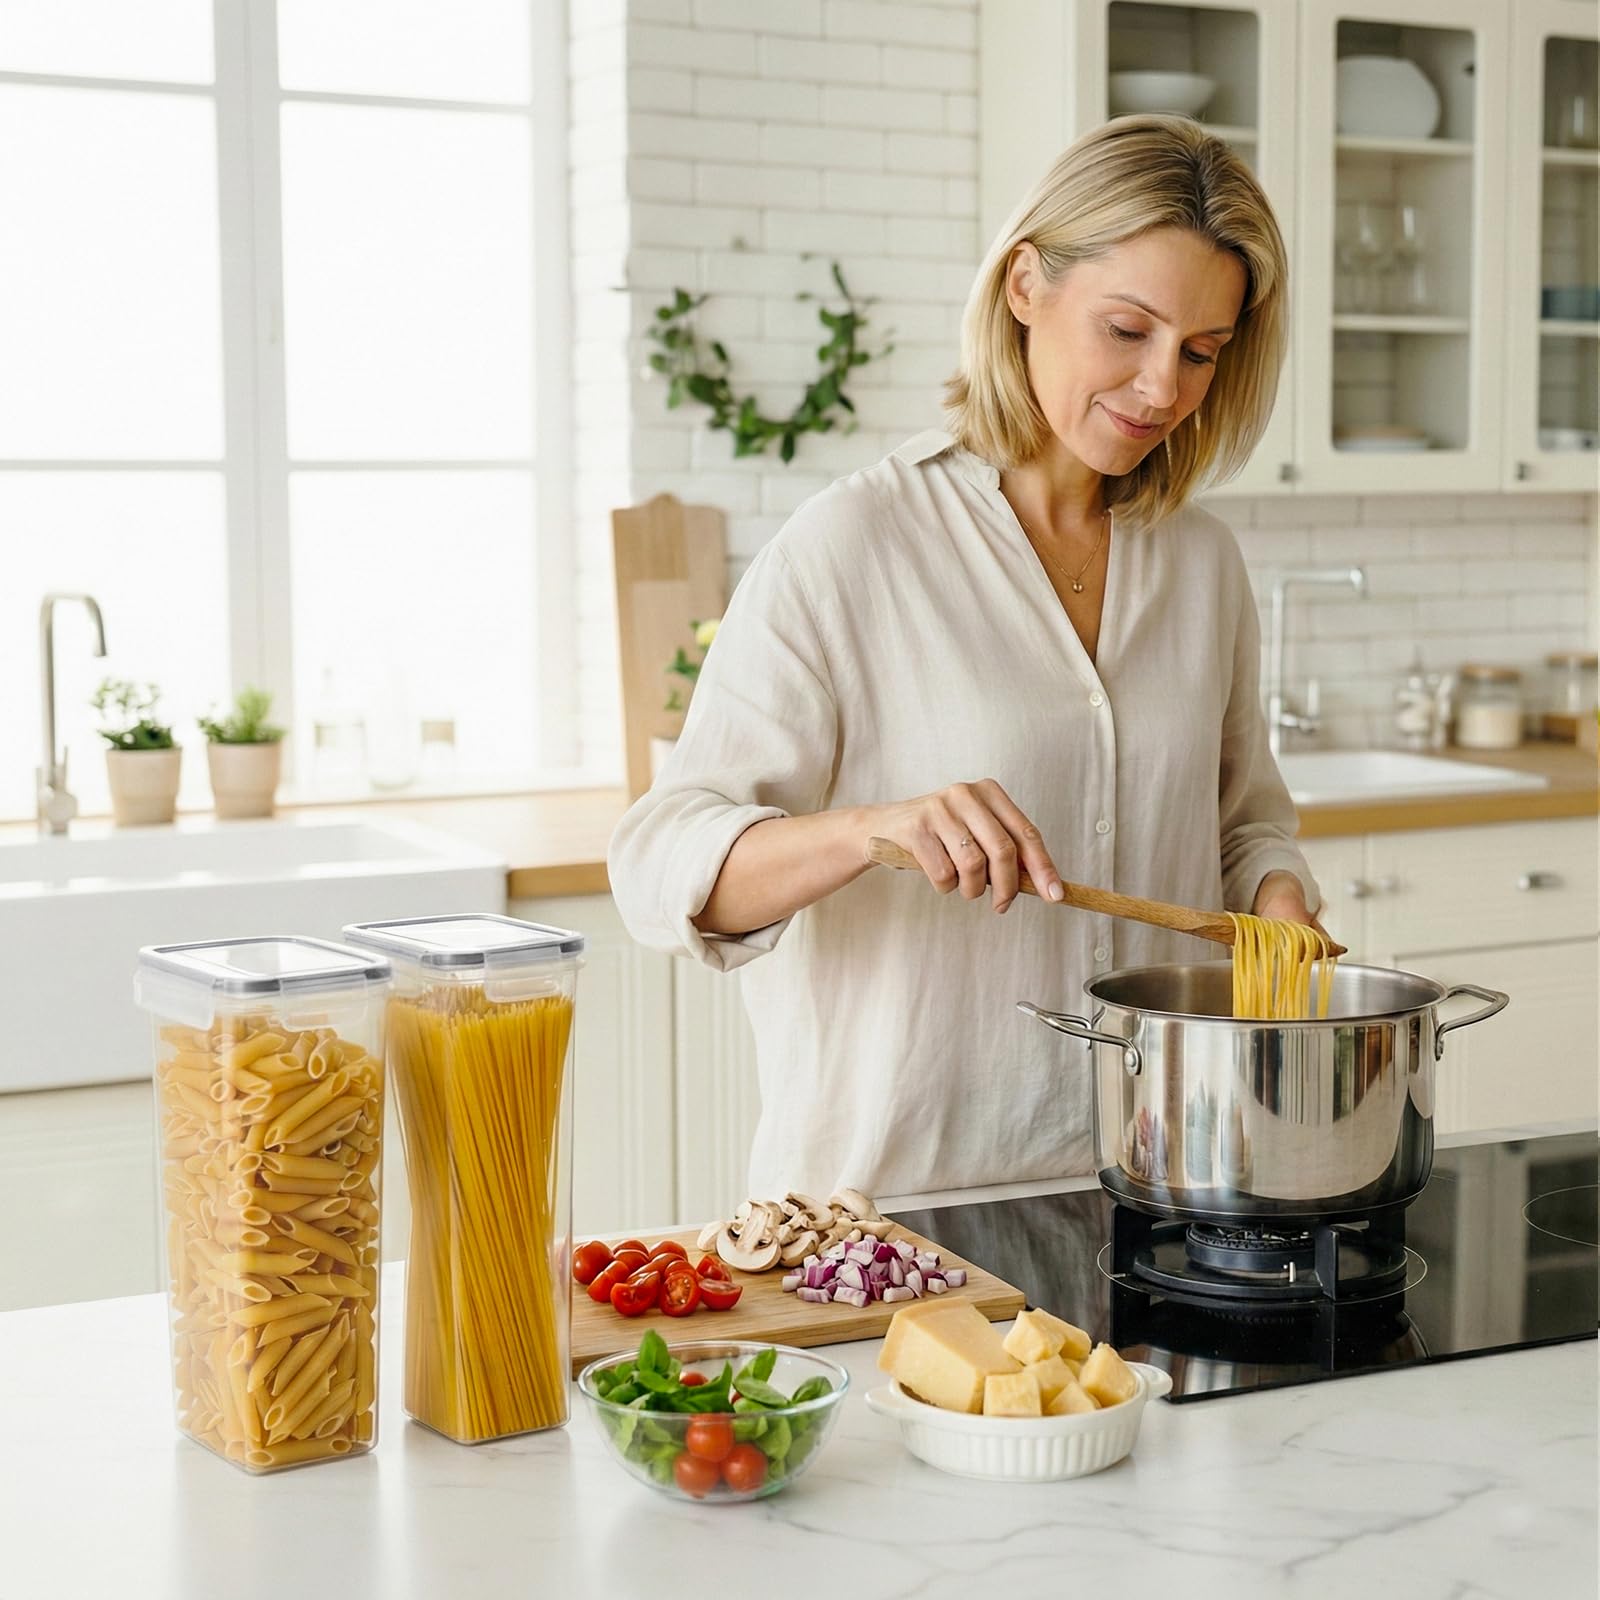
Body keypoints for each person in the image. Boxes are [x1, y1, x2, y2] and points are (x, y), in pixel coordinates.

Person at [608, 115, 1324, 1201]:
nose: (1160, 389)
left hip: (1155, 1184)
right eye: (1125, 330)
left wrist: (1274, 894)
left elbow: (1240, 822)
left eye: (1201, 353)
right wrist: (870, 831)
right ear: (1026, 286)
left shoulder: (1200, 565)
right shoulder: (856, 544)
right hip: (894, 1215)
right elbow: (657, 862)